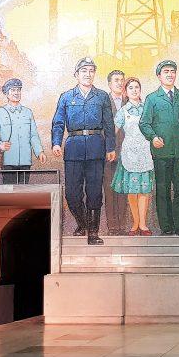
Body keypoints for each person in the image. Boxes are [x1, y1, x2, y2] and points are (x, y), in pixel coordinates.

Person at [51, 57, 115, 244]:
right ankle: (82, 223)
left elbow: (109, 124)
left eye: (91, 70)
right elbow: (58, 122)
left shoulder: (102, 96)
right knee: (72, 193)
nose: (88, 74)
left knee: (95, 191)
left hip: (96, 147)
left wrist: (110, 147)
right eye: (84, 71)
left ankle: (93, 233)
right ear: (76, 74)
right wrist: (56, 142)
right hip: (73, 148)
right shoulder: (66, 97)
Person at [140, 59, 179, 236]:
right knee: (163, 191)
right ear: (159, 76)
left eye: (172, 71)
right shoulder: (152, 98)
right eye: (166, 71)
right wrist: (153, 137)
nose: (170, 74)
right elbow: (144, 123)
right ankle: (166, 228)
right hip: (162, 152)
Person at [111, 77, 154, 236]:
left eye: (137, 87)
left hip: (145, 151)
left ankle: (143, 224)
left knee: (144, 190)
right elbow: (114, 132)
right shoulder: (123, 111)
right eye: (131, 88)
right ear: (125, 92)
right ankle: (135, 222)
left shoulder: (147, 108)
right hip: (129, 153)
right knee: (132, 190)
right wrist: (110, 148)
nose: (134, 90)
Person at [0, 78, 47, 184]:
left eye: (18, 90)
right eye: (13, 90)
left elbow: (33, 135)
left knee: (23, 193)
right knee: (9, 193)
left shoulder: (28, 112)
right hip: (8, 160)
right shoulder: (0, 112)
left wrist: (39, 152)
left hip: (25, 160)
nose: (16, 93)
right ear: (7, 93)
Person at [103, 69, 131, 235]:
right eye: (116, 80)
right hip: (108, 152)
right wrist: (108, 148)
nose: (120, 83)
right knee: (109, 189)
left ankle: (122, 225)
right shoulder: (103, 101)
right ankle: (112, 226)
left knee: (124, 189)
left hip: (127, 153)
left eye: (122, 80)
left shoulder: (131, 101)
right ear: (109, 84)